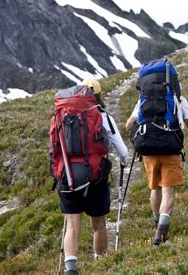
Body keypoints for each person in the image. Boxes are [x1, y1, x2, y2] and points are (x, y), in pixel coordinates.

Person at [60, 78, 128, 274]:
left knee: (72, 225)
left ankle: (71, 267)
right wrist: (122, 161)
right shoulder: (103, 116)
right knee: (98, 225)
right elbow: (122, 151)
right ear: (98, 94)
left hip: (68, 176)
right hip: (95, 177)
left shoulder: (62, 114)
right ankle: (101, 264)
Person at [125, 95, 188, 245]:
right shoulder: (178, 98)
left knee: (155, 188)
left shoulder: (143, 98)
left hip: (149, 149)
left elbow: (129, 124)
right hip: (170, 148)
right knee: (168, 191)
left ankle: (157, 223)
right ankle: (161, 231)